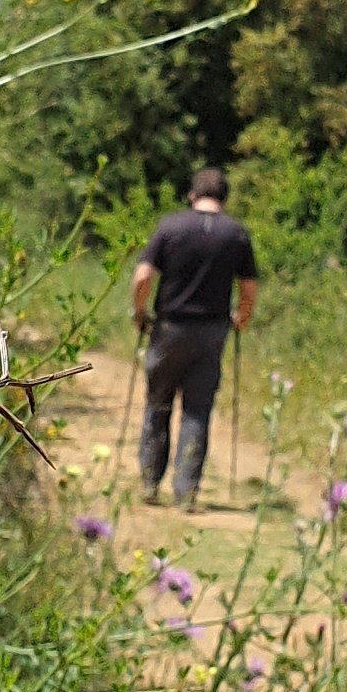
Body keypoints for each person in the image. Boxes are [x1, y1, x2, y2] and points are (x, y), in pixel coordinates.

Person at [131, 167, 259, 508]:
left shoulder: (171, 227)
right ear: (224, 198)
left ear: (192, 196)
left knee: (158, 404)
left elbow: (142, 277)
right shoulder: (236, 234)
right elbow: (248, 287)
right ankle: (186, 492)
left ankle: (149, 483)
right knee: (196, 411)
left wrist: (140, 314)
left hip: (169, 327)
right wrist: (241, 319)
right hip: (212, 330)